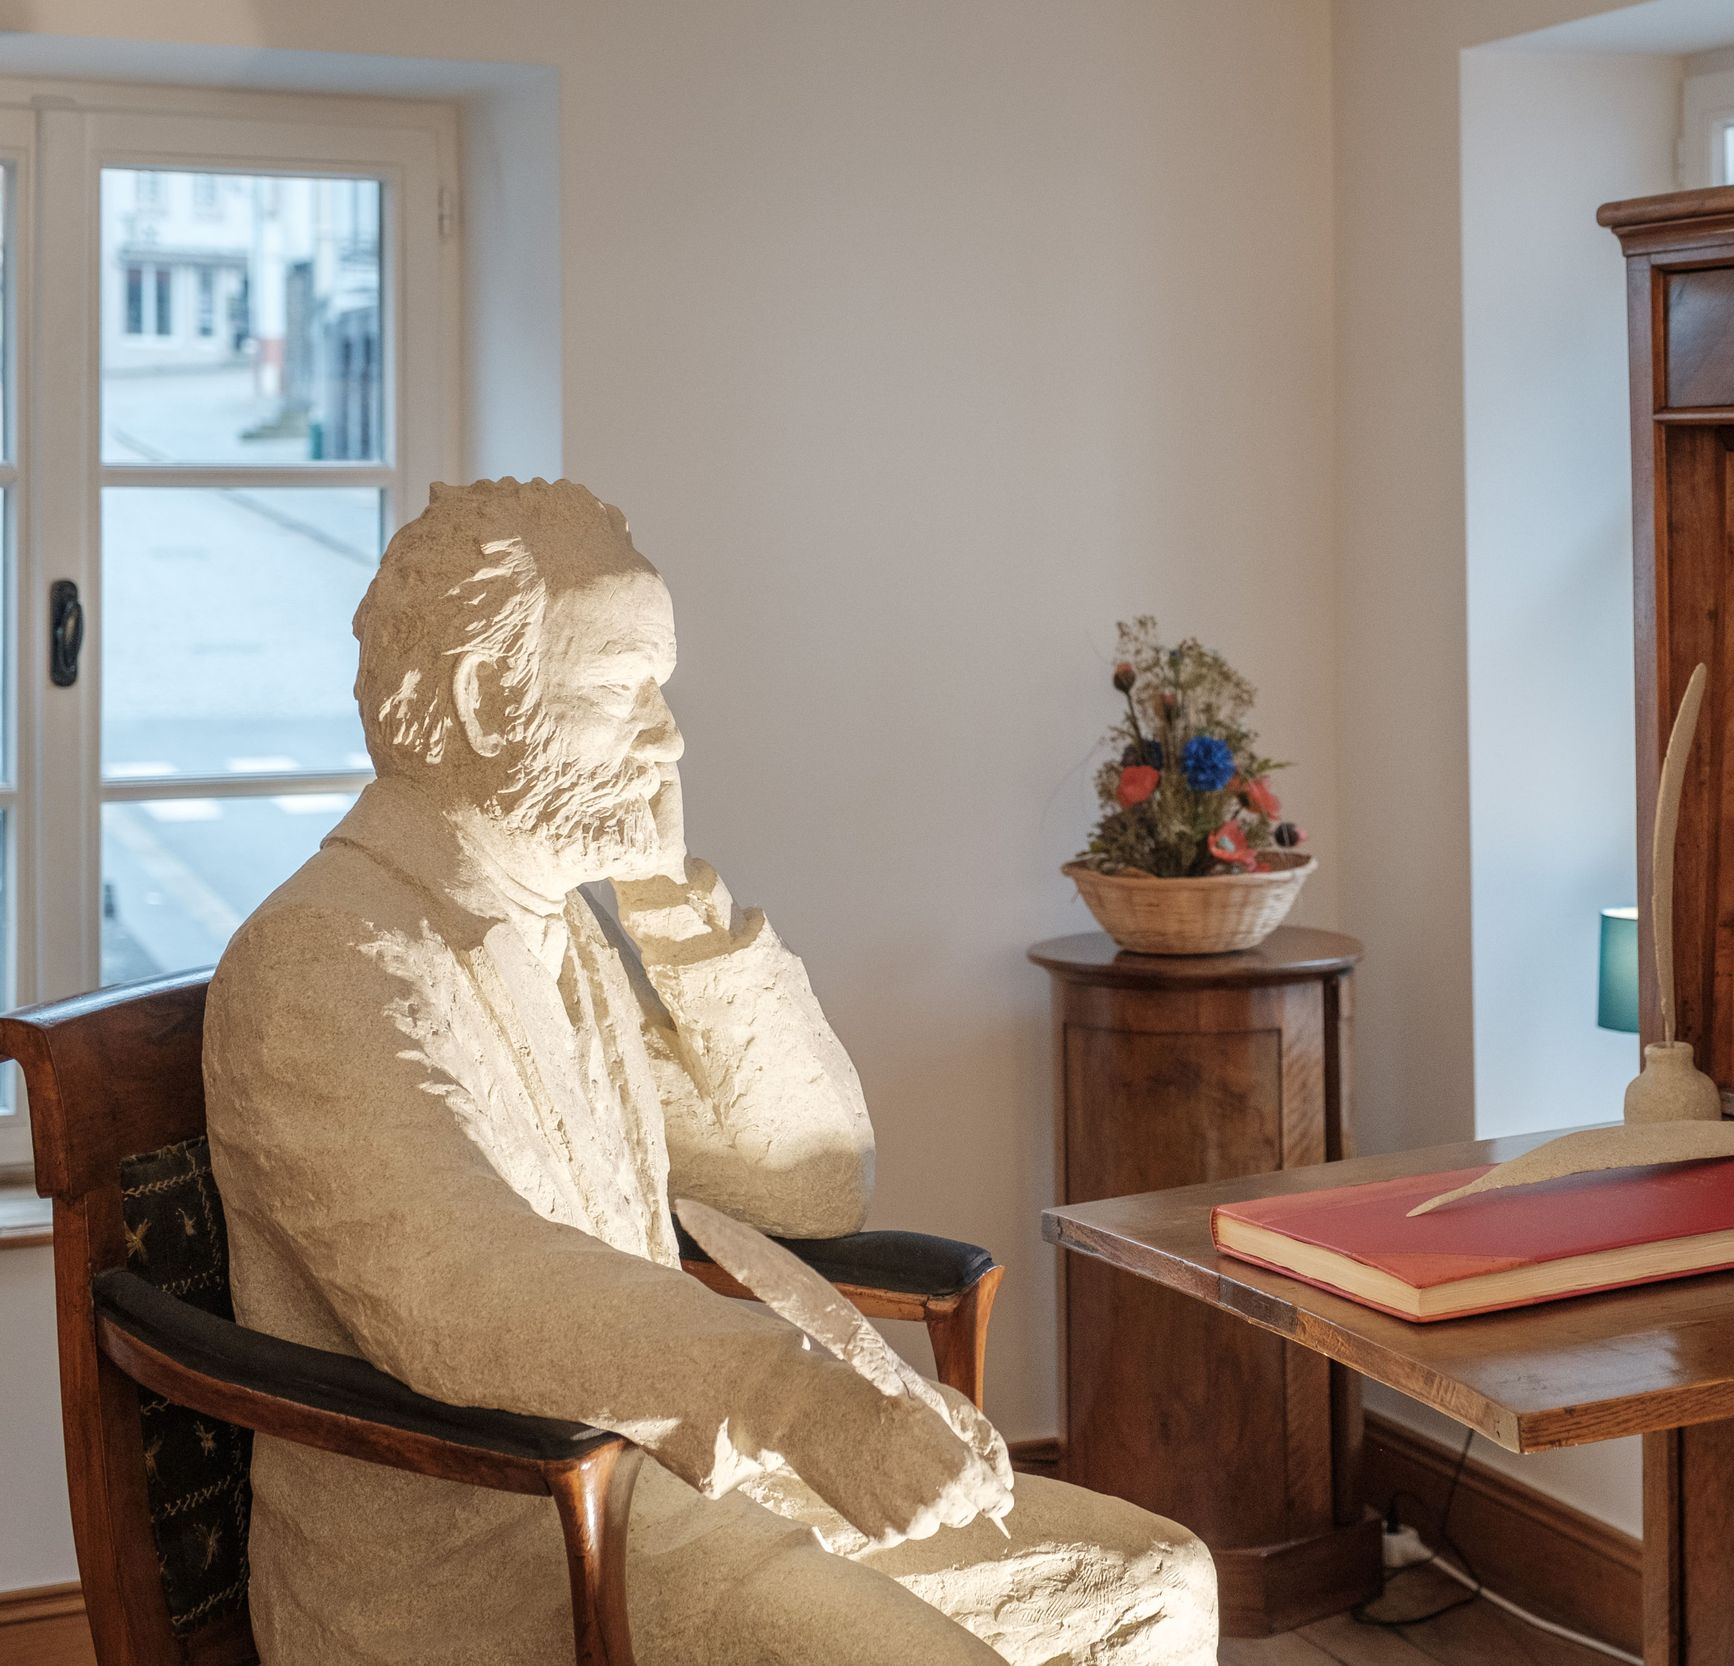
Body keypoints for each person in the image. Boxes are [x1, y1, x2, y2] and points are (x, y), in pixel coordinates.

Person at [204, 477, 1217, 1666]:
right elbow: (465, 1282)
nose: (669, 736)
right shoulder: (328, 955)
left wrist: (666, 897)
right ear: (482, 699)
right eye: (624, 688)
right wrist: (798, 1401)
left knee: (1157, 1579)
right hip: (505, 1555)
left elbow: (813, 1183)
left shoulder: (559, 928)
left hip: (673, 1497)